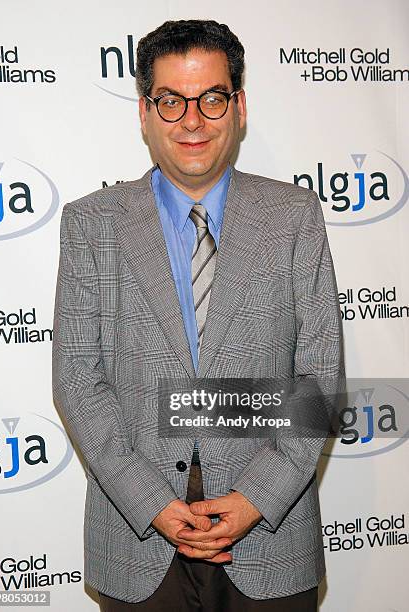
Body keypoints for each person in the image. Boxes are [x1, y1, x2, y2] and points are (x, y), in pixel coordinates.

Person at [52, 19, 344, 612]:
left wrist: (254, 499)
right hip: (137, 543)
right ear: (144, 111)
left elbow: (320, 377)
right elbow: (78, 382)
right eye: (170, 101)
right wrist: (154, 505)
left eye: (211, 98)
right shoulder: (92, 224)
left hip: (271, 537)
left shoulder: (294, 217)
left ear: (238, 106)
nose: (192, 120)